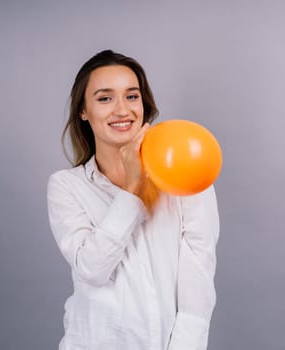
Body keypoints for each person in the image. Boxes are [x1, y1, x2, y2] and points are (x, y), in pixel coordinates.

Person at [47, 49, 220, 350]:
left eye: (131, 96)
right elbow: (93, 269)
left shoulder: (188, 174)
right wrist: (131, 189)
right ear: (83, 111)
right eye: (104, 98)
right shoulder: (67, 187)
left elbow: (197, 290)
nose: (122, 110)